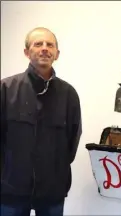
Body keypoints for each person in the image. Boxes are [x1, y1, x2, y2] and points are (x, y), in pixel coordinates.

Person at [1, 27, 82, 216]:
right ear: (27, 52)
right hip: (10, 189)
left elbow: (73, 139)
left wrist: (56, 168)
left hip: (52, 191)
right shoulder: (5, 89)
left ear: (57, 54)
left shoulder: (68, 94)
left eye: (50, 45)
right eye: (38, 44)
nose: (44, 48)